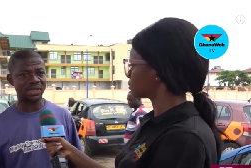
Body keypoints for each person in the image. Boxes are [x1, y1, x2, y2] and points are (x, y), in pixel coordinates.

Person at [41, 17, 222, 168]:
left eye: (132, 66)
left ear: (158, 70)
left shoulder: (183, 139)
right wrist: (68, 151)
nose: (128, 74)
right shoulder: (154, 121)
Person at [0, 50, 81, 168]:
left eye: (40, 73)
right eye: (24, 74)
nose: (34, 79)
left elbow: (77, 162)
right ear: (11, 80)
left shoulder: (63, 115)